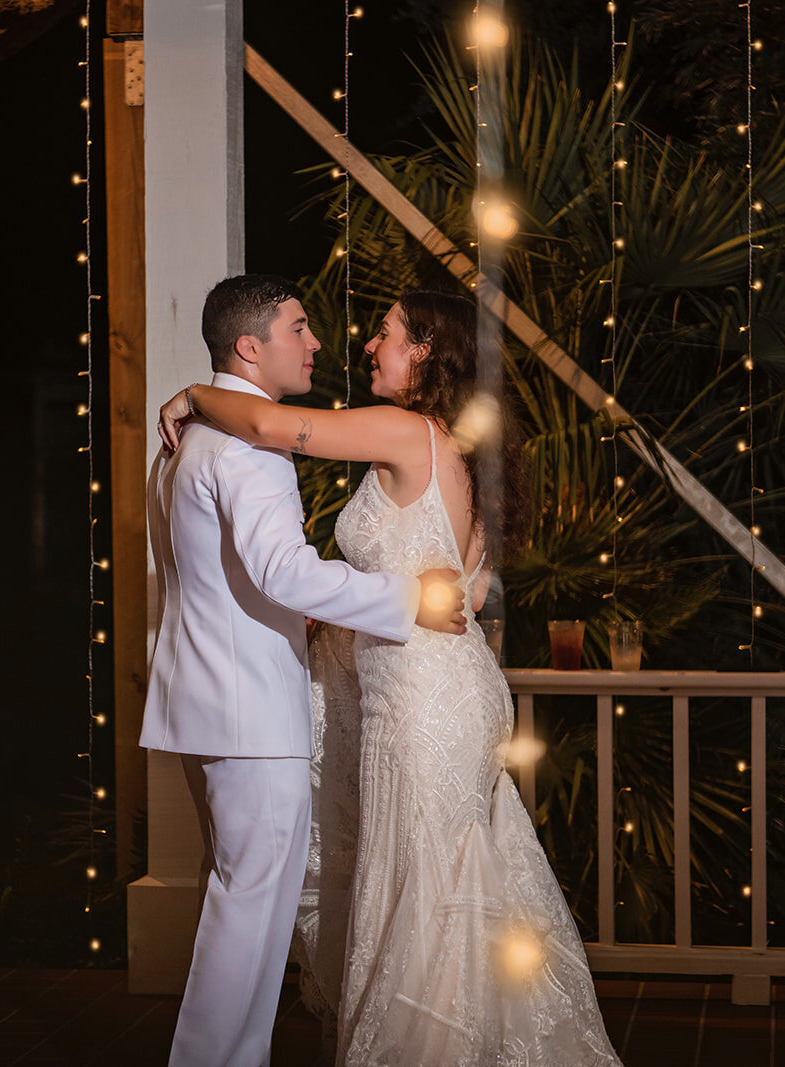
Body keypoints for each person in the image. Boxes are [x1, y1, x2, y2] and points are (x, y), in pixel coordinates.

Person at [159, 289, 621, 1065]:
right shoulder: (455, 448)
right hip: (438, 687)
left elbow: (273, 426)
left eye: (388, 335)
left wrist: (194, 393)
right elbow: (468, 592)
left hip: (421, 700)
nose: (368, 345)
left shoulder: (406, 430)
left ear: (427, 355)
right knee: (440, 886)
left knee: (426, 895)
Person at [142, 274, 468, 1067]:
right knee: (247, 919)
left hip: (205, 698)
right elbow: (283, 572)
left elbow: (228, 577)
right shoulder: (248, 447)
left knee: (238, 906)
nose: (317, 342)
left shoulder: (181, 446)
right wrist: (407, 600)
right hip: (251, 711)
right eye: (299, 327)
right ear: (251, 348)